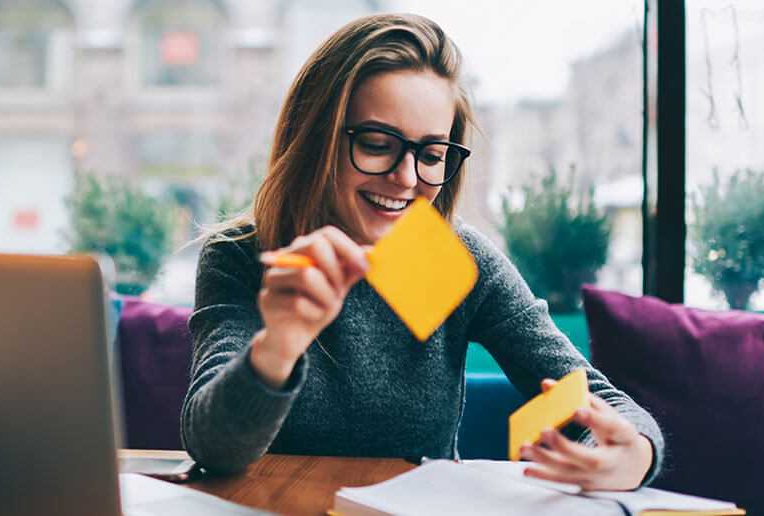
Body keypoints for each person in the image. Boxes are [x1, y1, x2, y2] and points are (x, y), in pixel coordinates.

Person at [181, 13, 662, 491]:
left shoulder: (452, 259)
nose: (407, 178)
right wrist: (279, 344)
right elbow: (213, 447)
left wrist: (632, 453)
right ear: (314, 139)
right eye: (375, 144)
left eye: (431, 155)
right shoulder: (244, 256)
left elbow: (592, 397)